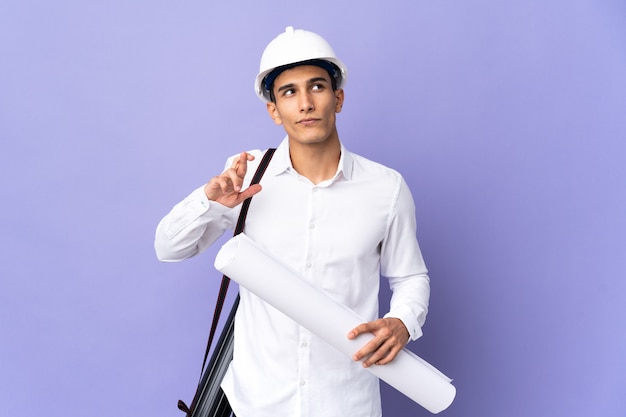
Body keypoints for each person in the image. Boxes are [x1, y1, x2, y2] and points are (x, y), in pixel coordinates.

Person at [155, 26, 430, 417]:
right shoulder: (247, 175)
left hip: (346, 403)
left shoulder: (386, 188)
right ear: (274, 111)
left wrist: (402, 321)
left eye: (317, 87)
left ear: (338, 98)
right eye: (289, 92)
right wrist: (207, 199)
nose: (305, 103)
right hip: (257, 404)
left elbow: (411, 277)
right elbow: (168, 248)